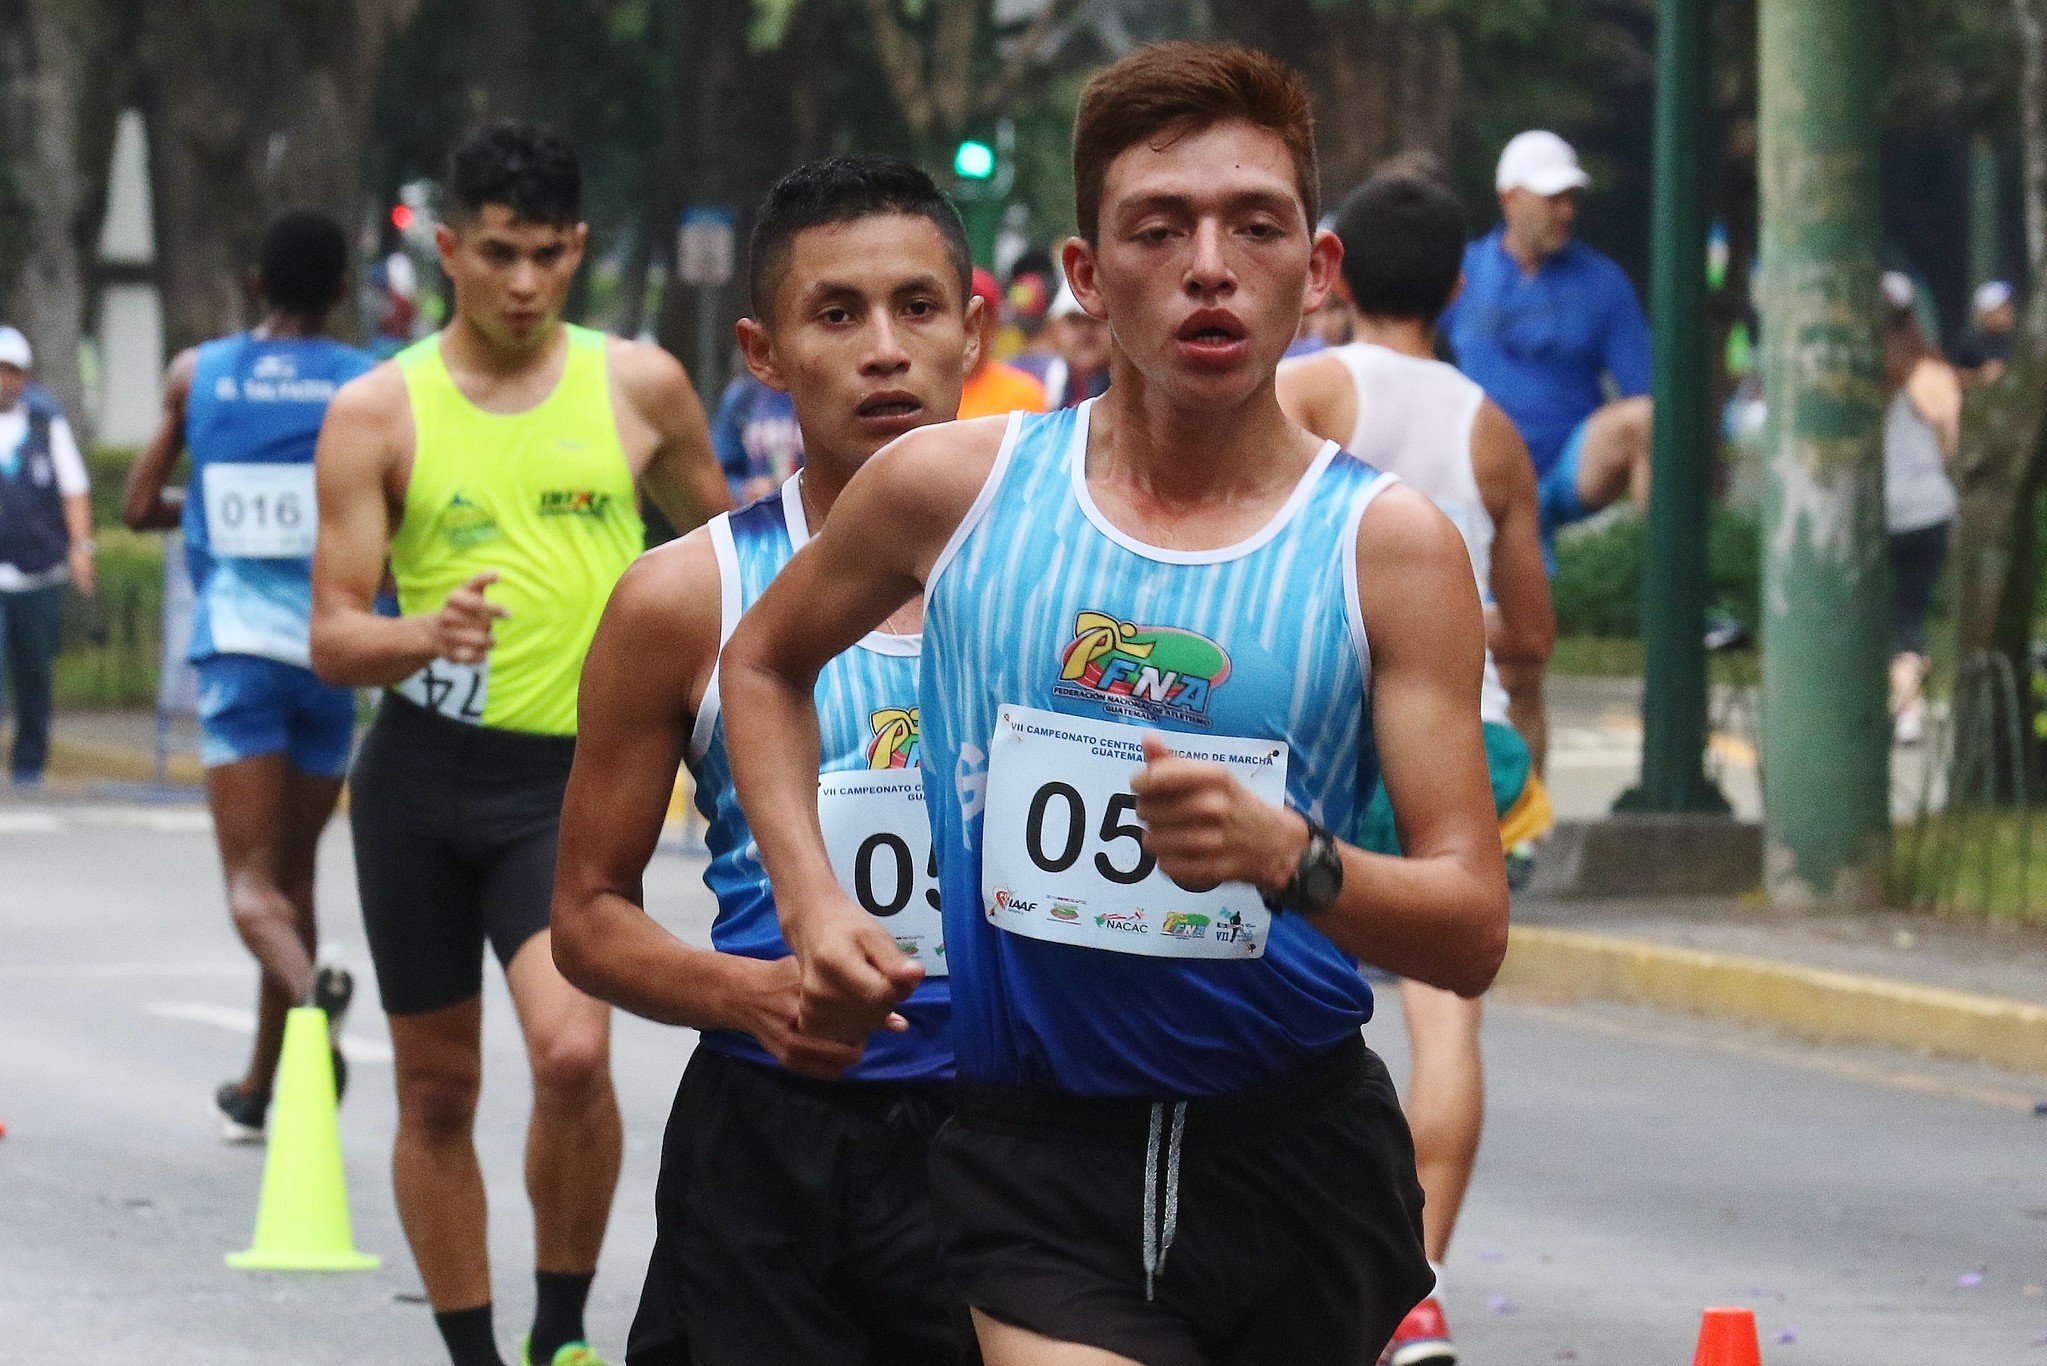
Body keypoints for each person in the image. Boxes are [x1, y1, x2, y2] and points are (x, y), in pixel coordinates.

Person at [718, 42, 1510, 1366]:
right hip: (1039, 1159)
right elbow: (761, 660)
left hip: (1297, 1158)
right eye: (1159, 228)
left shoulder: (1387, 548)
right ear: (1085, 275)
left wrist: (1291, 861)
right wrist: (808, 898)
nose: (1209, 264)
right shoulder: (948, 489)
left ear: (1315, 274)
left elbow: (1469, 927)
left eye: (1253, 225)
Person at [309, 121, 727, 1366]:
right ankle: (474, 1353)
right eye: (498, 253)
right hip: (421, 778)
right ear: (448, 248)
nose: (525, 281)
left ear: (579, 248)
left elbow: (746, 557)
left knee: (568, 1048)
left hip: (571, 779)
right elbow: (332, 637)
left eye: (549, 254)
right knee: (438, 1090)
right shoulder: (375, 409)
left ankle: (559, 1331)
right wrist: (419, 633)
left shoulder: (640, 384)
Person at [552, 154, 980, 1366]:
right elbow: (585, 916)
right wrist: (752, 996)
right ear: (763, 349)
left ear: (973, 327)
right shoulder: (686, 596)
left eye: (917, 307)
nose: (883, 348)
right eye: (835, 313)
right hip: (769, 1147)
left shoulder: (1067, 582)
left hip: (1015, 1140)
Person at [1278, 172, 1556, 1366]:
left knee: (1284, 1012)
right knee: (1446, 1034)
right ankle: (1414, 1292)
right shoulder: (1489, 425)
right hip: (1467, 744)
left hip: (1339, 738)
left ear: (1327, 267)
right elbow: (1529, 629)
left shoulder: (1312, 385)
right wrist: (1523, 753)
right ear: (1457, 283)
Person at [122, 210, 372, 1142]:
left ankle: (315, 1001)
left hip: (238, 658)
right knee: (295, 879)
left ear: (256, 285)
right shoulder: (368, 383)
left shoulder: (200, 375)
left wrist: (210, 505)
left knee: (251, 886)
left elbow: (139, 503)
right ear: (343, 290)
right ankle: (266, 1084)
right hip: (332, 654)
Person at [0, 325, 93, 788]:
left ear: (26, 376)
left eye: (11, 371)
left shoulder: (45, 424)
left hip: (38, 572)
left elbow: (73, 490)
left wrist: (81, 547)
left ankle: (28, 768)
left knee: (34, 677)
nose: (3, 380)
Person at [1880, 272, 1961, 746]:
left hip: (1877, 514)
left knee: (1881, 613)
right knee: (1909, 611)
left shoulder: (1859, 373)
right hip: (1930, 509)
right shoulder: (1934, 373)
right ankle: (1906, 702)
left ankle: (1902, 701)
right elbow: (1951, 446)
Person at [959, 267, 1048, 420]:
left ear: (995, 323)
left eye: (977, 318)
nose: (966, 327)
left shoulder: (1022, 393)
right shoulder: (925, 393)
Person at [709, 366, 803, 505]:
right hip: (761, 515)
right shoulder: (743, 396)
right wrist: (745, 490)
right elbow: (720, 474)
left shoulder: (823, 392)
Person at [1041, 278, 1113, 408]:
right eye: (1074, 321)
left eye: (1095, 320)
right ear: (1053, 328)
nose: (1085, 332)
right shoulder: (1043, 384)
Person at [1951, 279, 2016, 387]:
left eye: (2008, 305)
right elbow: (1951, 378)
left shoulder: (2013, 340)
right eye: (2002, 307)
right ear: (1986, 313)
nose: (2009, 310)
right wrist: (1980, 374)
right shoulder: (1967, 342)